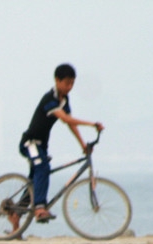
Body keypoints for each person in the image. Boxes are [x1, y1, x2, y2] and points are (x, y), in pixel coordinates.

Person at [16, 63, 104, 226]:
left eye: (72, 84)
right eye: (67, 83)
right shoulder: (50, 99)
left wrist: (82, 145)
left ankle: (16, 216)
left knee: (36, 180)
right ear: (57, 80)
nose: (69, 87)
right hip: (30, 143)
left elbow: (71, 124)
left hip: (41, 146)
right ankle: (40, 208)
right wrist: (92, 123)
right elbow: (65, 119)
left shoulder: (64, 100)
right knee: (43, 168)